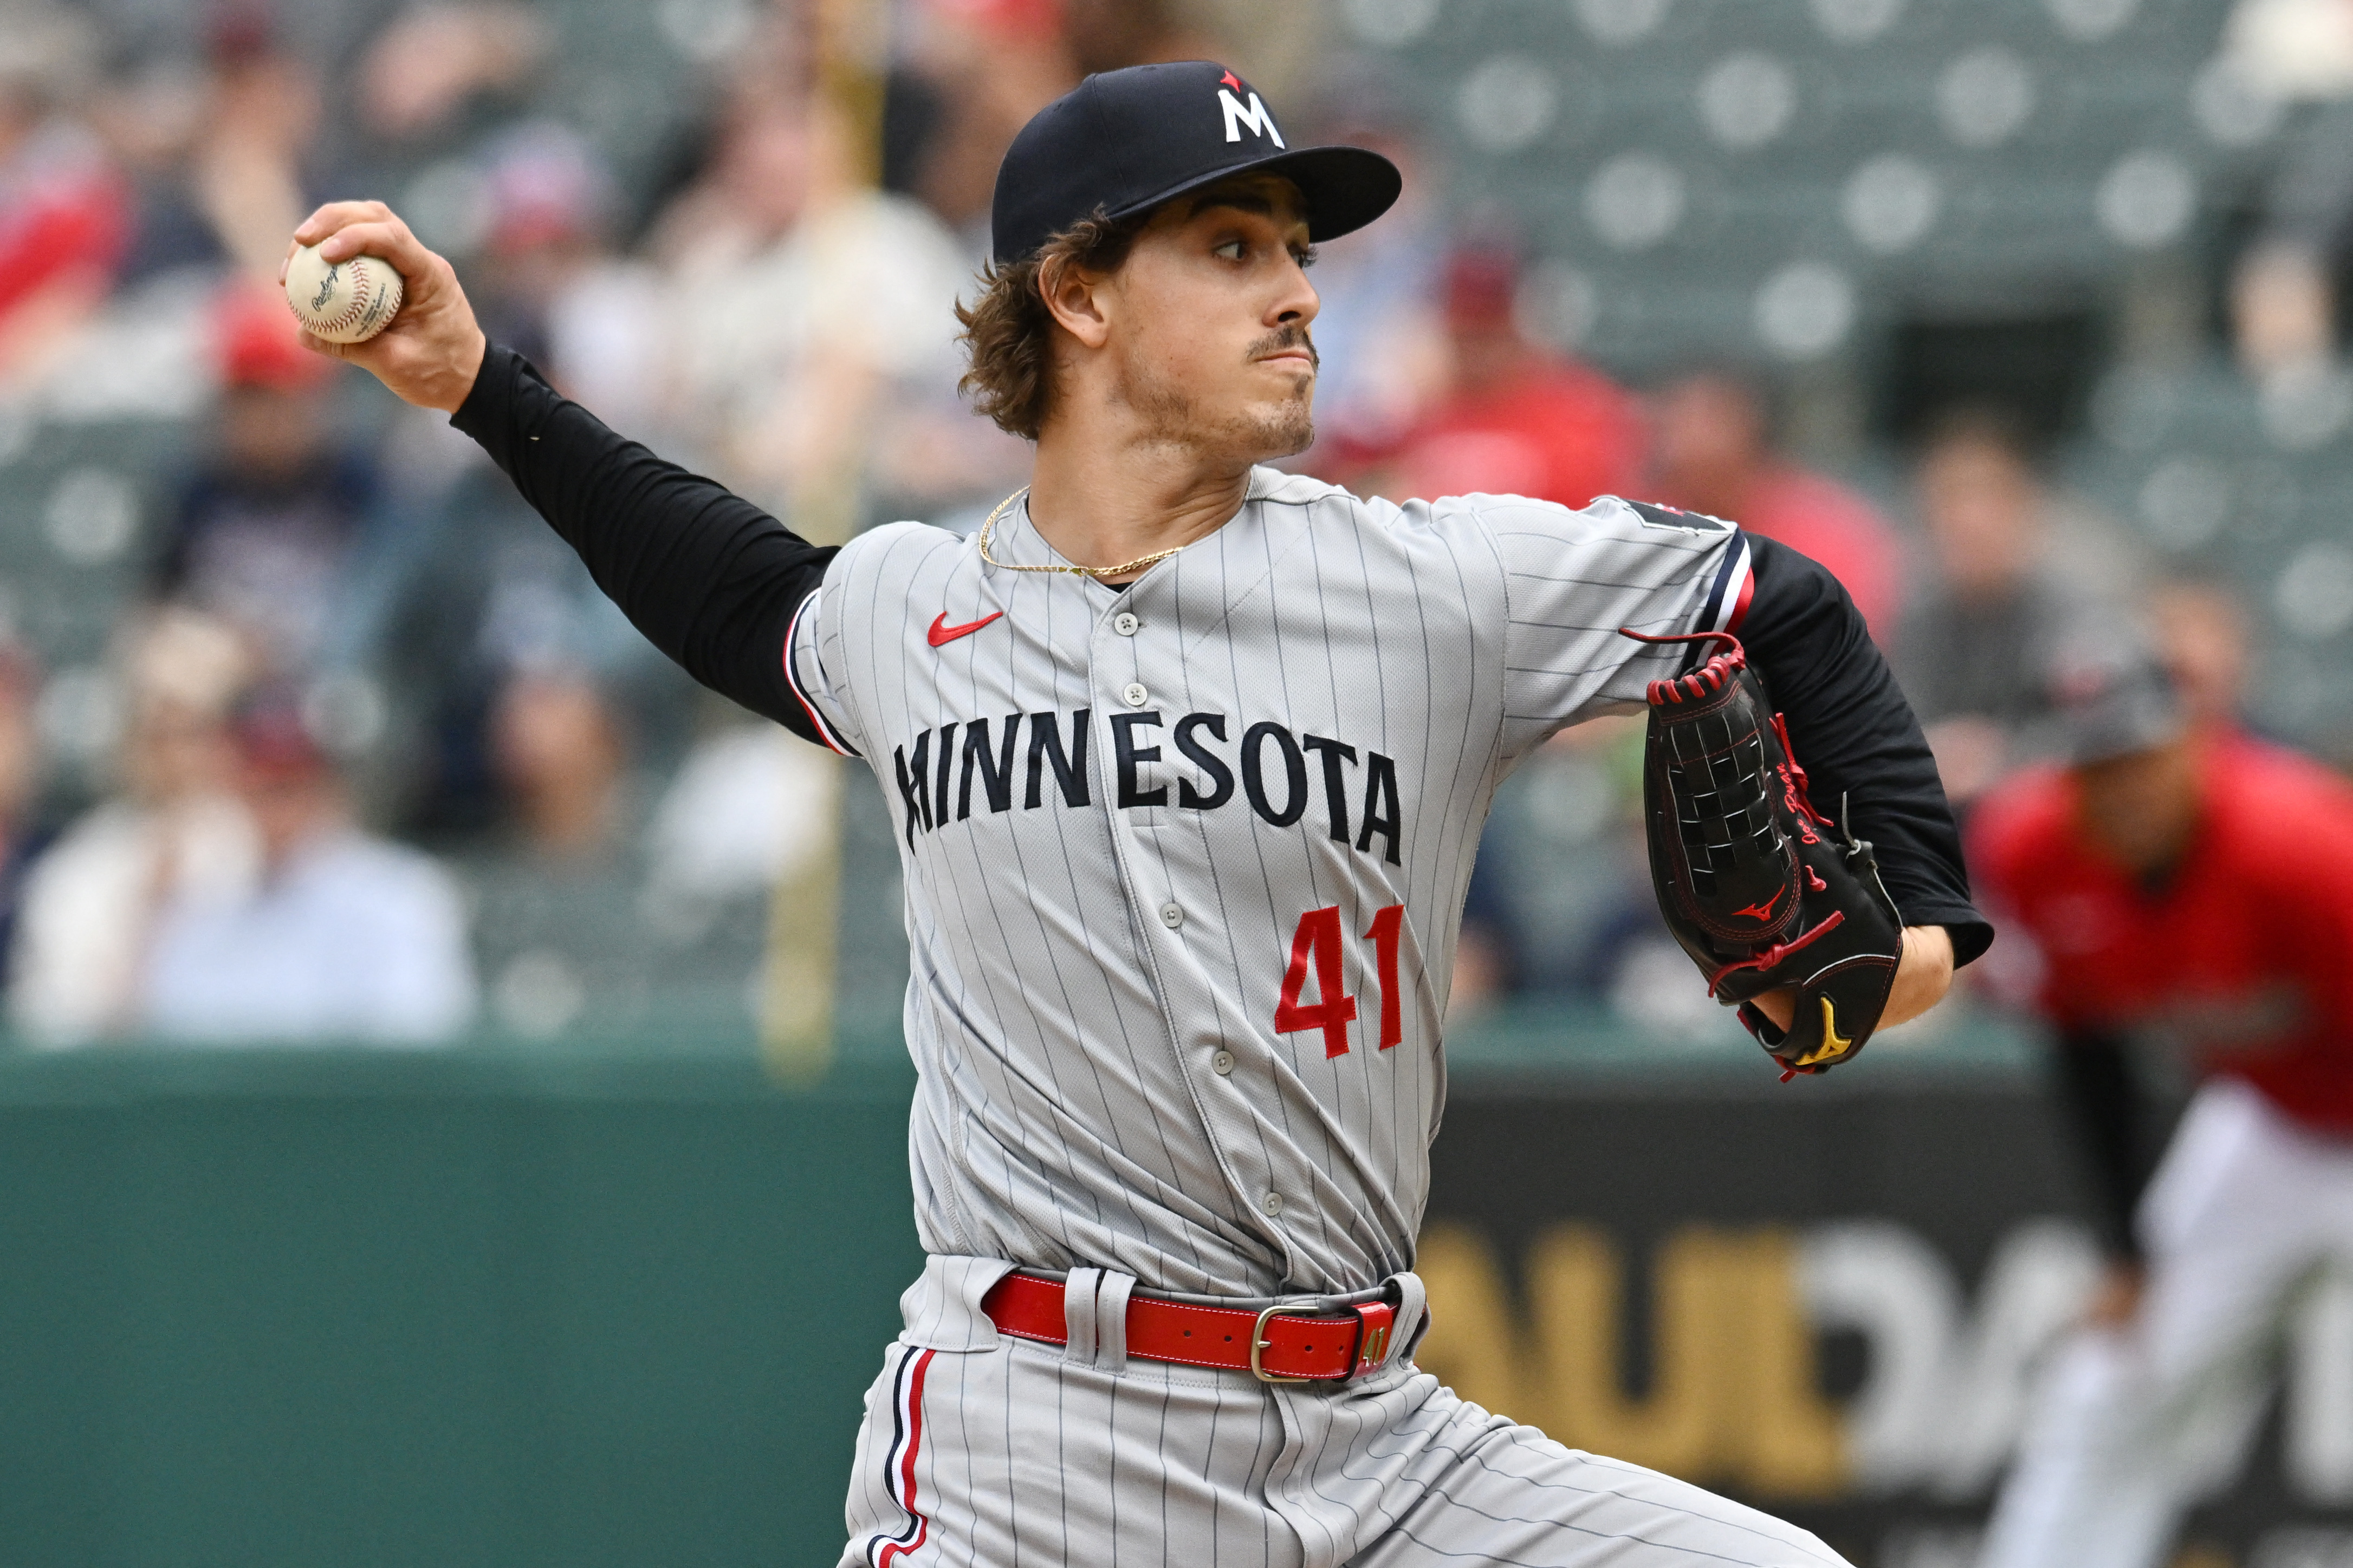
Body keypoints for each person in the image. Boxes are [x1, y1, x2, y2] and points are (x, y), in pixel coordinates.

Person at [289, 60, 1982, 1567]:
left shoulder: (1436, 586)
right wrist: (476, 384)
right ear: (1080, 293)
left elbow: (1780, 599)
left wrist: (1921, 928)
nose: (1301, 294)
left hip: (1380, 1443)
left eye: (1300, 252)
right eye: (1233, 247)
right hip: (1037, 1443)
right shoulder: (909, 611)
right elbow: (720, 581)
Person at [1970, 657, 2353, 1568]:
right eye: (2093, 766)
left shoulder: (2296, 841)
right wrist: (2125, 1249)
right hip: (2273, 1126)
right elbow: (2085, 1052)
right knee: (2108, 1382)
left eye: (2137, 755)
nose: (2120, 787)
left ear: (2191, 741)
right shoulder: (2031, 851)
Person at [138, 686, 475, 1044]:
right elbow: (169, 1042)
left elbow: (419, 1048)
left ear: (328, 783)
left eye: (289, 785)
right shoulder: (203, 905)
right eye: (257, 785)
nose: (274, 808)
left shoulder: (401, 896)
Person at [1645, 367, 1903, 633]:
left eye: (1703, 424)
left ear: (1749, 429)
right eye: (1671, 427)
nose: (1680, 447)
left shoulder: (1828, 530)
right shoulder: (1641, 524)